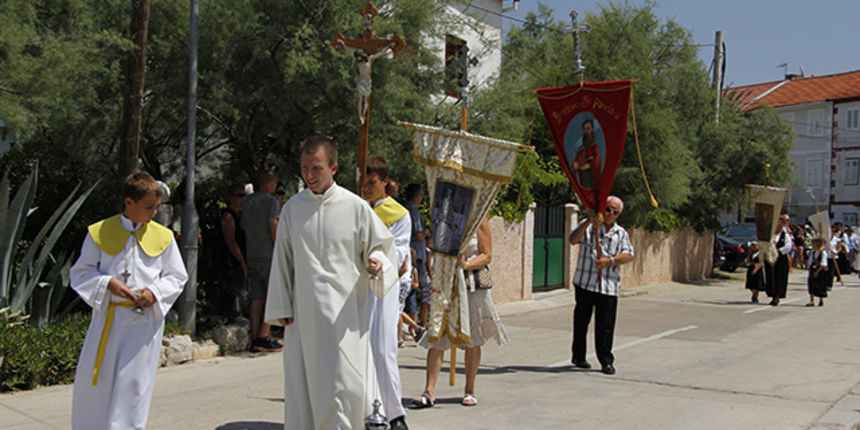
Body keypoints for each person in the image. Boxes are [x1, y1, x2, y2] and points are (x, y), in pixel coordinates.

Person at [264, 136, 398, 430]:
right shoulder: (292, 210)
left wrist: (376, 261)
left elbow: (383, 248)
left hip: (346, 316)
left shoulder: (355, 207)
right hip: (305, 316)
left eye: (317, 168)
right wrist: (281, 306)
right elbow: (282, 260)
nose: (309, 175)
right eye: (304, 168)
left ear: (333, 168)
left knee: (343, 382)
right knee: (307, 384)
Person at [69, 171, 188, 430]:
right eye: (148, 207)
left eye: (156, 207)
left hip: (143, 326)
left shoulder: (163, 237)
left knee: (134, 388)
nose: (154, 213)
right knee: (98, 387)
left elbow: (177, 276)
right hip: (109, 322)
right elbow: (81, 272)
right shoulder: (100, 232)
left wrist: (154, 293)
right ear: (128, 202)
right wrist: (108, 283)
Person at [410, 219, 509, 409]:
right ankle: (428, 391)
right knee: (437, 336)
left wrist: (467, 264)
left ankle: (469, 390)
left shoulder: (479, 220)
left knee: (472, 337)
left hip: (472, 285)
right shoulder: (444, 217)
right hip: (445, 283)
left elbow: (487, 255)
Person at [362, 154, 411, 430]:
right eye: (363, 182)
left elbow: (400, 252)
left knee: (382, 349)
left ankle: (395, 414)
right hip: (354, 289)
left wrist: (379, 262)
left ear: (384, 182)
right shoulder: (353, 208)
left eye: (372, 182)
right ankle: (364, 409)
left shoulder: (399, 215)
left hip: (383, 288)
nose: (367, 188)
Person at [568, 196, 634, 375]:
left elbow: (629, 255)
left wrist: (609, 261)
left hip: (608, 286)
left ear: (618, 214)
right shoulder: (589, 226)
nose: (610, 214)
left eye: (614, 211)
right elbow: (573, 240)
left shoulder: (621, 233)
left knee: (605, 326)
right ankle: (579, 356)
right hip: (585, 283)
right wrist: (589, 220)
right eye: (607, 209)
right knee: (581, 322)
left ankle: (606, 360)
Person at [242, 170, 283, 352]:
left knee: (256, 297)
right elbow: (273, 226)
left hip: (252, 252)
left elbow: (243, 225)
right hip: (268, 253)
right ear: (270, 183)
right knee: (270, 294)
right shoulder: (271, 201)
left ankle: (253, 333)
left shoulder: (248, 201)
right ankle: (263, 335)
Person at [337, 39, 395, 124]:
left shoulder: (369, 59)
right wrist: (343, 44)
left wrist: (389, 47)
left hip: (367, 81)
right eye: (357, 57)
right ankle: (360, 116)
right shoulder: (358, 61)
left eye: (359, 56)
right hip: (361, 80)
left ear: (361, 55)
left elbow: (380, 53)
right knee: (360, 99)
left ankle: (363, 115)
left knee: (365, 99)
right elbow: (349, 52)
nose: (358, 58)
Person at [214, 184, 247, 319]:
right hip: (230, 261)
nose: (242, 199)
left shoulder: (240, 215)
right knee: (233, 292)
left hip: (239, 259)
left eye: (244, 195)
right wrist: (242, 262)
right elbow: (231, 242)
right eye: (239, 196)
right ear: (230, 198)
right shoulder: (228, 216)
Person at [405, 183, 431, 327]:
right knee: (414, 288)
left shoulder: (405, 208)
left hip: (411, 253)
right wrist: (427, 232)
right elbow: (418, 234)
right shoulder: (413, 210)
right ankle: (413, 323)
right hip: (417, 255)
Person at [765, 215, 792, 306]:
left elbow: (789, 246)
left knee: (779, 277)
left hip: (781, 259)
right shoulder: (771, 235)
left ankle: (777, 296)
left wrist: (779, 250)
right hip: (771, 258)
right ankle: (772, 294)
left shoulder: (785, 235)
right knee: (771, 276)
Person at [570, 119, 602, 194]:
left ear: (593, 129)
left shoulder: (596, 146)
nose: (586, 131)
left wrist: (590, 165)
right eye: (584, 129)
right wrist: (575, 165)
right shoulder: (581, 148)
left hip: (592, 175)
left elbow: (598, 160)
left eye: (588, 128)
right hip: (582, 175)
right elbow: (577, 161)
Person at [807, 236, 828, 307]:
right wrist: (810, 270)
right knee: (811, 284)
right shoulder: (813, 252)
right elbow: (810, 262)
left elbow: (823, 263)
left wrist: (817, 271)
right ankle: (811, 300)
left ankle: (820, 300)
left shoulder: (823, 252)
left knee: (820, 285)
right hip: (813, 269)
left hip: (820, 270)